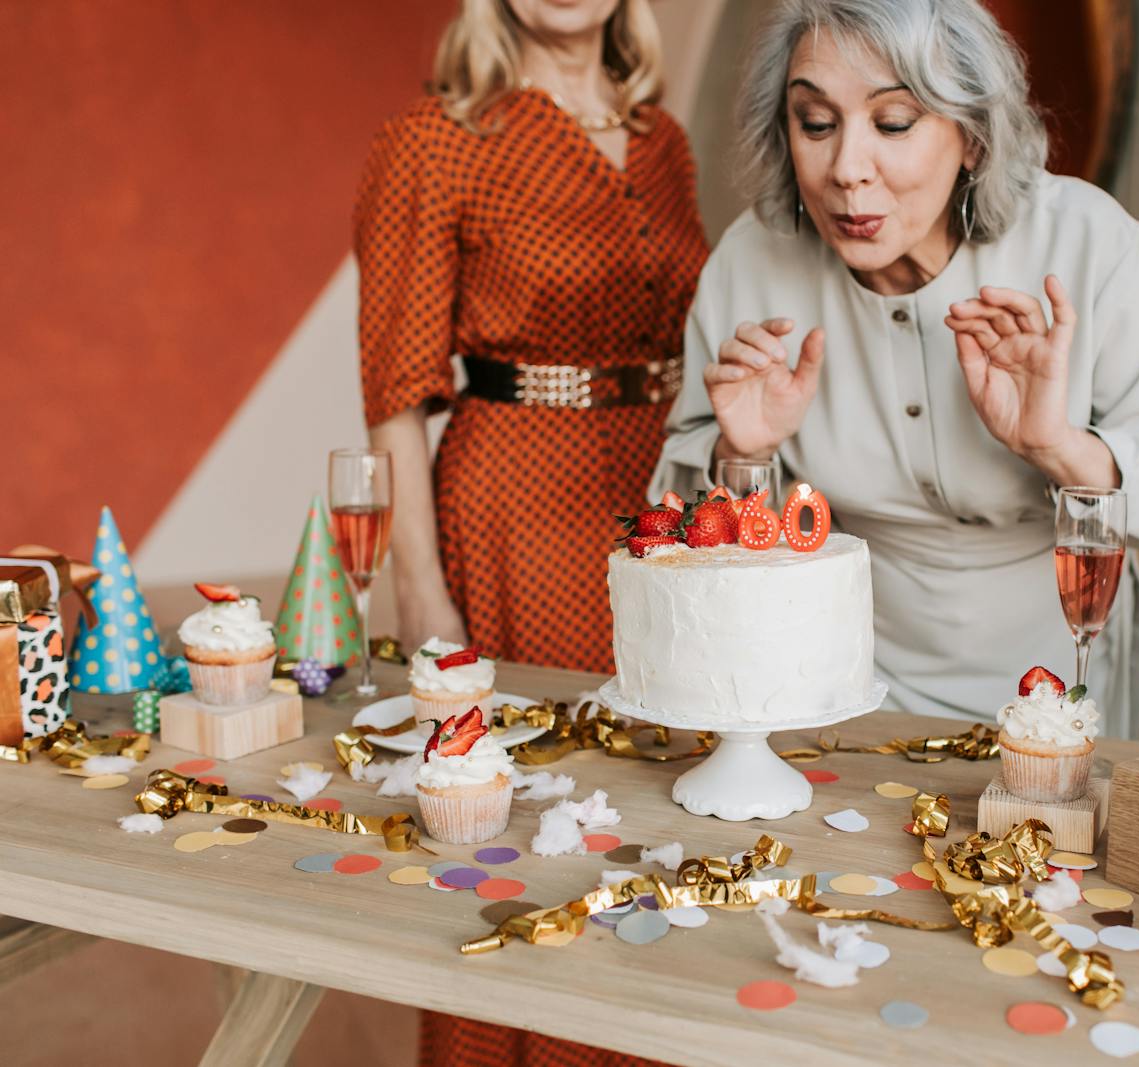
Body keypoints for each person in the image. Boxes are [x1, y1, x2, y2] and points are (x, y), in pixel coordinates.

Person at [651, 0, 1139, 736]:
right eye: (816, 123)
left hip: (1056, 680)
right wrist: (741, 454)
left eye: (894, 123)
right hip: (835, 681)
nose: (846, 169)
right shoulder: (751, 263)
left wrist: (1061, 447)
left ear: (971, 135)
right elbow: (675, 529)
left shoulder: (1088, 244)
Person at [355, 0, 706, 1063]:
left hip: (660, 506)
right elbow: (395, 386)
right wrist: (421, 588)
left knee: (657, 810)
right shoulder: (440, 134)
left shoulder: (663, 141)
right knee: (529, 817)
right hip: (515, 505)